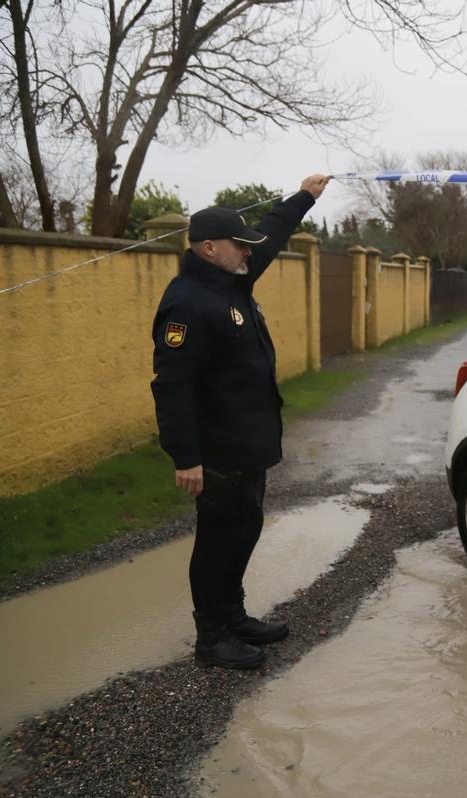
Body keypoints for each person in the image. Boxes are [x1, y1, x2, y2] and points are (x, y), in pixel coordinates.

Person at [150, 173, 330, 669]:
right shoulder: (187, 302)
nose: (249, 252)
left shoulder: (233, 279)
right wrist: (186, 457)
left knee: (246, 528)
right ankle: (211, 637)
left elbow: (268, 237)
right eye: (239, 245)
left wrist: (304, 197)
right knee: (217, 539)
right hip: (217, 449)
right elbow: (172, 385)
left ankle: (233, 615)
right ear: (210, 248)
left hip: (248, 442)